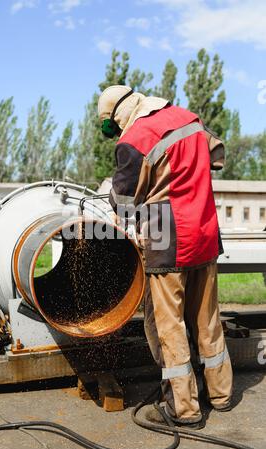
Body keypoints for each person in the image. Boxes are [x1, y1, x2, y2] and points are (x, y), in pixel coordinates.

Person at [98, 86, 233, 429]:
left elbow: (124, 201)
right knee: (207, 318)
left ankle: (183, 408)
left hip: (168, 236)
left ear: (119, 116)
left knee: (166, 325)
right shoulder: (189, 119)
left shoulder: (136, 137)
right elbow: (217, 156)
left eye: (110, 126)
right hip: (205, 229)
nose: (115, 133)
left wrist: (111, 194)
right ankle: (221, 394)